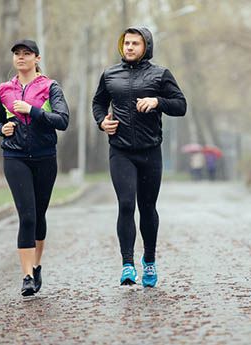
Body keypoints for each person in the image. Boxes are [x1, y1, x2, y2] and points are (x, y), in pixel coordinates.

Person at [92, 27, 187, 287]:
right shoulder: (110, 74)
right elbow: (98, 103)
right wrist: (102, 122)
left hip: (150, 152)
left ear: (146, 46)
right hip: (121, 151)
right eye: (126, 43)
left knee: (147, 208)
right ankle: (126, 265)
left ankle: (149, 261)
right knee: (125, 204)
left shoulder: (160, 75)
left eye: (135, 43)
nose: (129, 47)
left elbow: (180, 105)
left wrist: (157, 101)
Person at [0, 39, 69, 300]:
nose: (21, 58)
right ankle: (26, 277)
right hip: (15, 157)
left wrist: (33, 110)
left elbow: (62, 120)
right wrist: (3, 130)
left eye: (26, 54)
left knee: (39, 214)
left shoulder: (50, 87)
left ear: (37, 58)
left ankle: (36, 267)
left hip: (45, 157)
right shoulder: (3, 89)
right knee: (27, 215)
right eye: (17, 54)